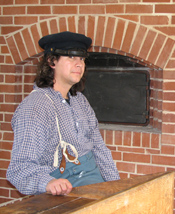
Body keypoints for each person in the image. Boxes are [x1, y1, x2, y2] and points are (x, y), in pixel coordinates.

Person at [6, 31, 120, 196]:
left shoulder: (80, 101)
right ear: (52, 61)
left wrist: (116, 187)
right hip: (63, 190)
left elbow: (99, 148)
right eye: (71, 58)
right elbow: (19, 169)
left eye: (81, 59)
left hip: (93, 181)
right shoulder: (35, 108)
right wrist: (48, 183)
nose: (79, 64)